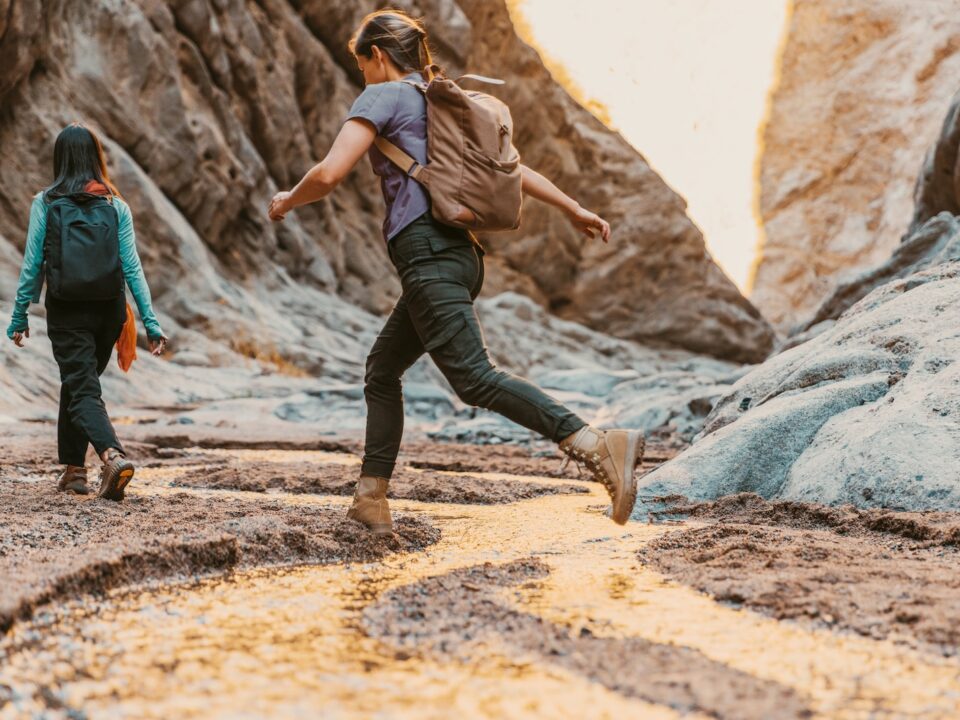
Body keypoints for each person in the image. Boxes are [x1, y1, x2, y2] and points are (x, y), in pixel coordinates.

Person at [269, 10, 644, 534]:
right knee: (382, 370)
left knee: (473, 378)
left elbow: (330, 173)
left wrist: (288, 199)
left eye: (362, 67)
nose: (363, 78)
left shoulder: (383, 96)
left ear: (377, 56)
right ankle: (370, 500)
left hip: (428, 255)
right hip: (461, 256)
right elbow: (512, 168)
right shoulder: (446, 101)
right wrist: (572, 207)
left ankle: (595, 443)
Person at [6, 123, 168, 500]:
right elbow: (132, 268)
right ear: (97, 159)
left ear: (60, 159)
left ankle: (112, 457)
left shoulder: (45, 202)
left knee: (81, 388)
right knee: (78, 384)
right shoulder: (116, 205)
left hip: (67, 310)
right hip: (109, 312)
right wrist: (150, 321)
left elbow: (32, 266)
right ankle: (74, 472)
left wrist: (19, 315)